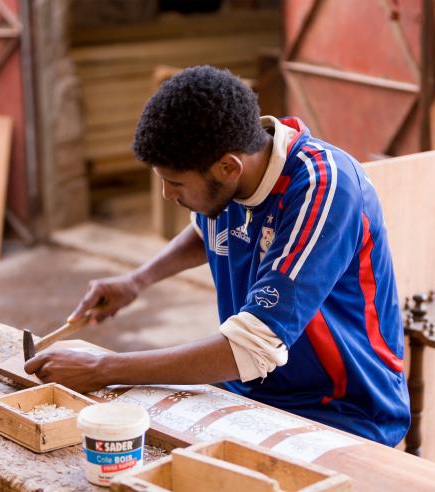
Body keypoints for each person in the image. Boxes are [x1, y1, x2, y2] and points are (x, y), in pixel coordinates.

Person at [25, 65, 410, 446]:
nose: (167, 195)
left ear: (228, 167)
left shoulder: (324, 187)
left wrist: (102, 368)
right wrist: (136, 281)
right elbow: (207, 228)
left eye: (175, 183)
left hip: (343, 410)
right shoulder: (231, 179)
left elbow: (250, 348)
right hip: (255, 388)